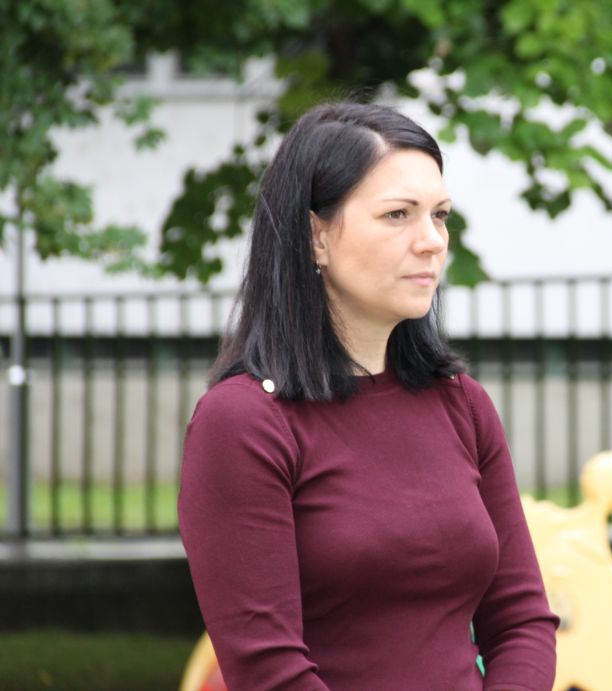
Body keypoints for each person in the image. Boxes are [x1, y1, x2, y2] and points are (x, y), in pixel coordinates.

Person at [177, 101, 558, 691]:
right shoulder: (245, 422)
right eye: (397, 215)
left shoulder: (462, 405)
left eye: (440, 215)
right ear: (316, 236)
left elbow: (521, 620)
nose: (431, 242)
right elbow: (267, 669)